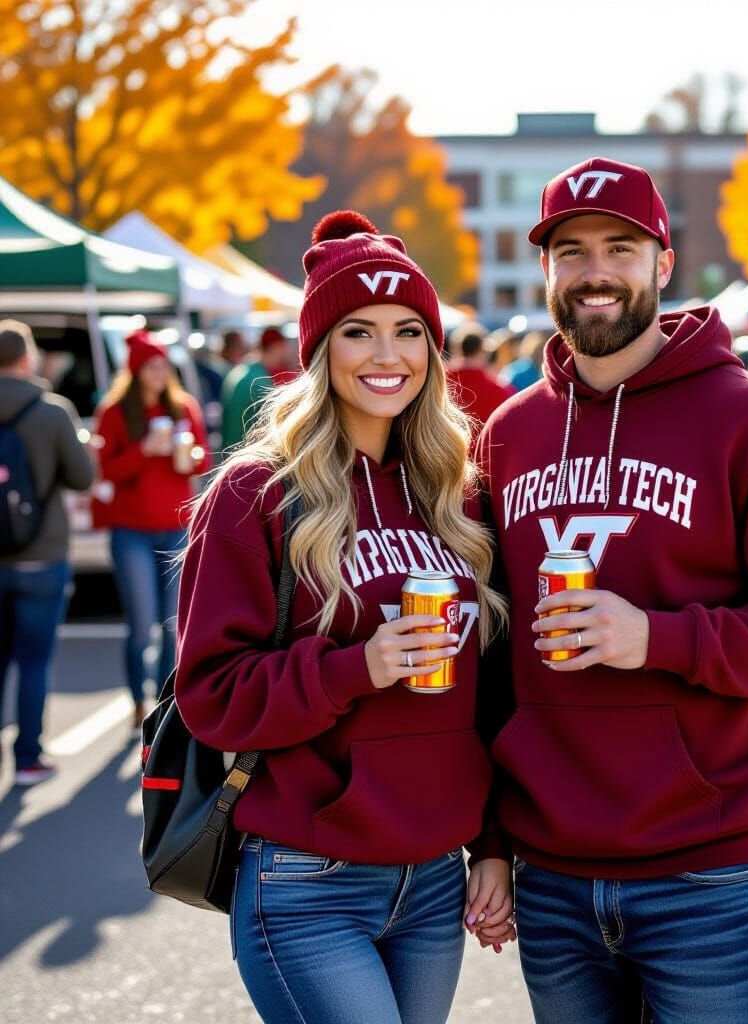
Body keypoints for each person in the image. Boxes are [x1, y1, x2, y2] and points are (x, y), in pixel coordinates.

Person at [474, 157, 748, 1023]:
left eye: (620, 247)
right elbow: (494, 657)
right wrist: (493, 842)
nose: (594, 271)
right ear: (546, 270)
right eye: (570, 250)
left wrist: (657, 638)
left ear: (661, 263)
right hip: (552, 876)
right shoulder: (509, 435)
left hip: (709, 871)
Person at [175, 211, 515, 1024]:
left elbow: (496, 693)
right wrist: (360, 666)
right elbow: (211, 695)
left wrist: (495, 846)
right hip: (306, 875)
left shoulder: (458, 497)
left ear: (434, 352)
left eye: (408, 332)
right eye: (358, 331)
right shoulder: (257, 493)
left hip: (435, 878)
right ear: (320, 350)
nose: (387, 354)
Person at [93, 330, 210, 733]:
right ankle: (135, 699)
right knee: (141, 622)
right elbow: (105, 470)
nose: (160, 373)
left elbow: (202, 461)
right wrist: (144, 450)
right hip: (131, 531)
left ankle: (164, 703)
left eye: (164, 365)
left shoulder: (183, 407)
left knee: (172, 623)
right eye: (152, 366)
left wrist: (187, 456)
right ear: (136, 371)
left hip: (176, 527)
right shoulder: (114, 413)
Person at [0, 321, 93, 785]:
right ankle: (28, 757)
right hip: (41, 551)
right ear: (26, 358)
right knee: (34, 661)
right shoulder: (52, 411)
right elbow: (82, 477)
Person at [218, 327, 295, 450]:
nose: (286, 352)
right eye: (283, 347)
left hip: (231, 452)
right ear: (276, 347)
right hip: (245, 455)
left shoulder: (240, 371)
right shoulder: (259, 382)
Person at [446, 321, 514, 436]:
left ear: (456, 349)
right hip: (485, 452)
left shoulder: (437, 383)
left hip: (444, 452)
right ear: (484, 351)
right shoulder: (500, 391)